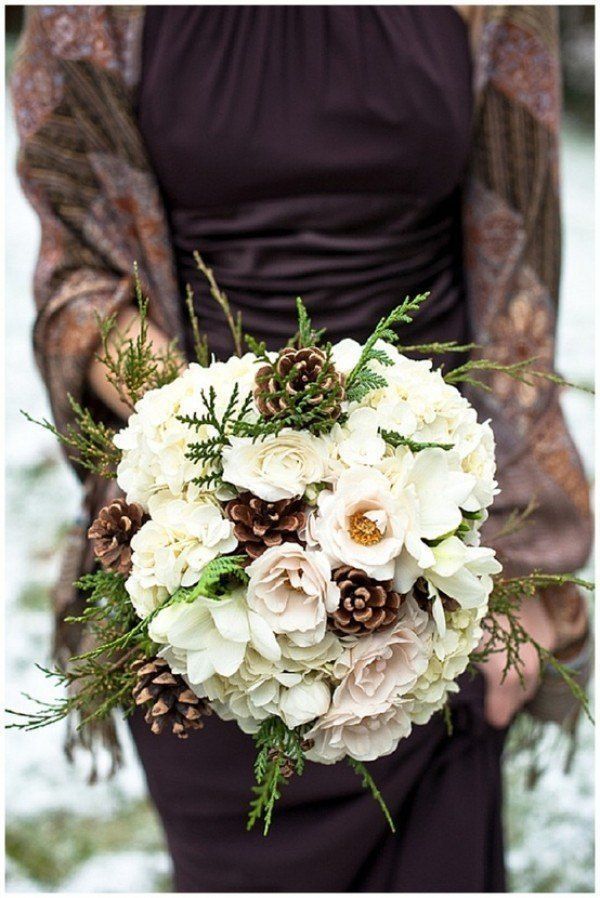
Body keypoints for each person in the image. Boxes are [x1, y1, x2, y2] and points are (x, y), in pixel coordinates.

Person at [12, 5, 592, 892]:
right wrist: (221, 438)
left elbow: (520, 275)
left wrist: (520, 567)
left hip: (429, 562)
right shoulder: (91, 14)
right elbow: (77, 288)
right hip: (205, 570)